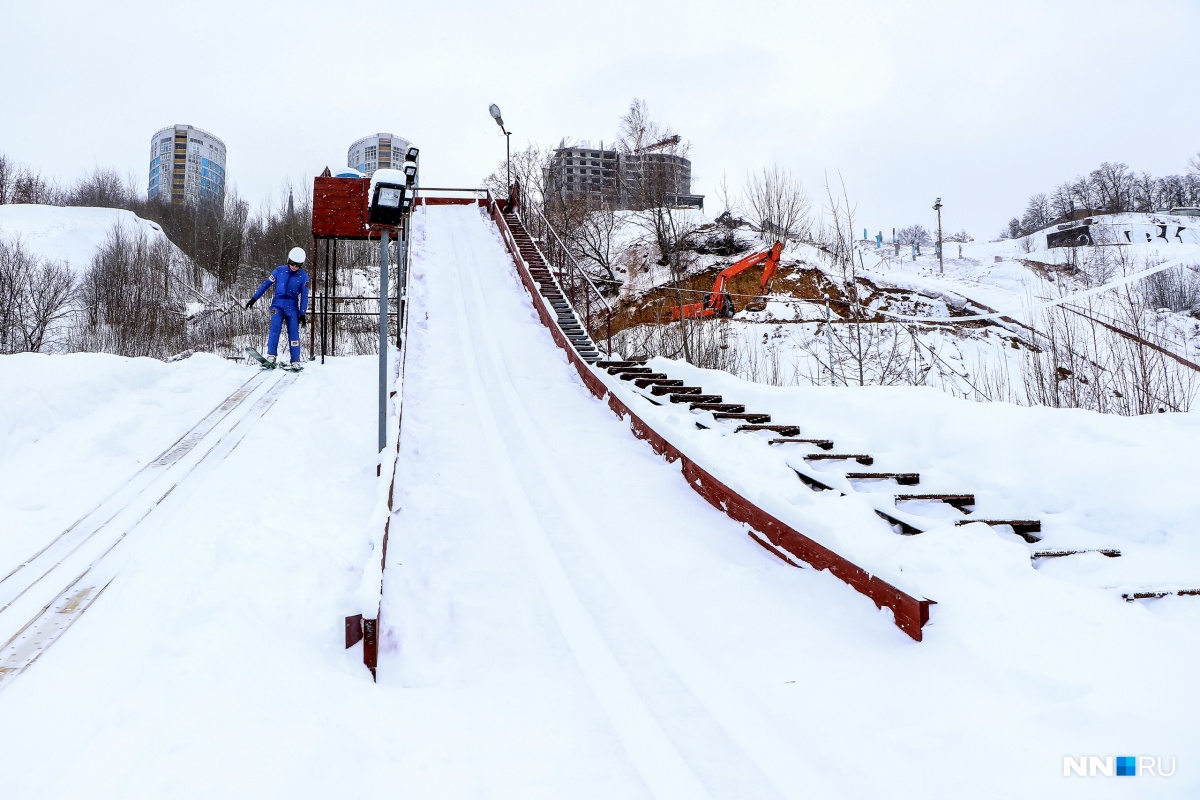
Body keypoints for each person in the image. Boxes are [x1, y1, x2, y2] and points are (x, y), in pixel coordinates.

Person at [246, 247, 310, 367]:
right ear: (288, 260)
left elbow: (305, 296)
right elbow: (266, 284)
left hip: (292, 308)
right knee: (275, 329)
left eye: (298, 265)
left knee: (294, 333)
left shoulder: (303, 277)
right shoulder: (279, 270)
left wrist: (302, 313)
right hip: (277, 306)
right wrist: (254, 299)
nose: (294, 267)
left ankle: (295, 360)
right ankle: (271, 356)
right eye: (292, 263)